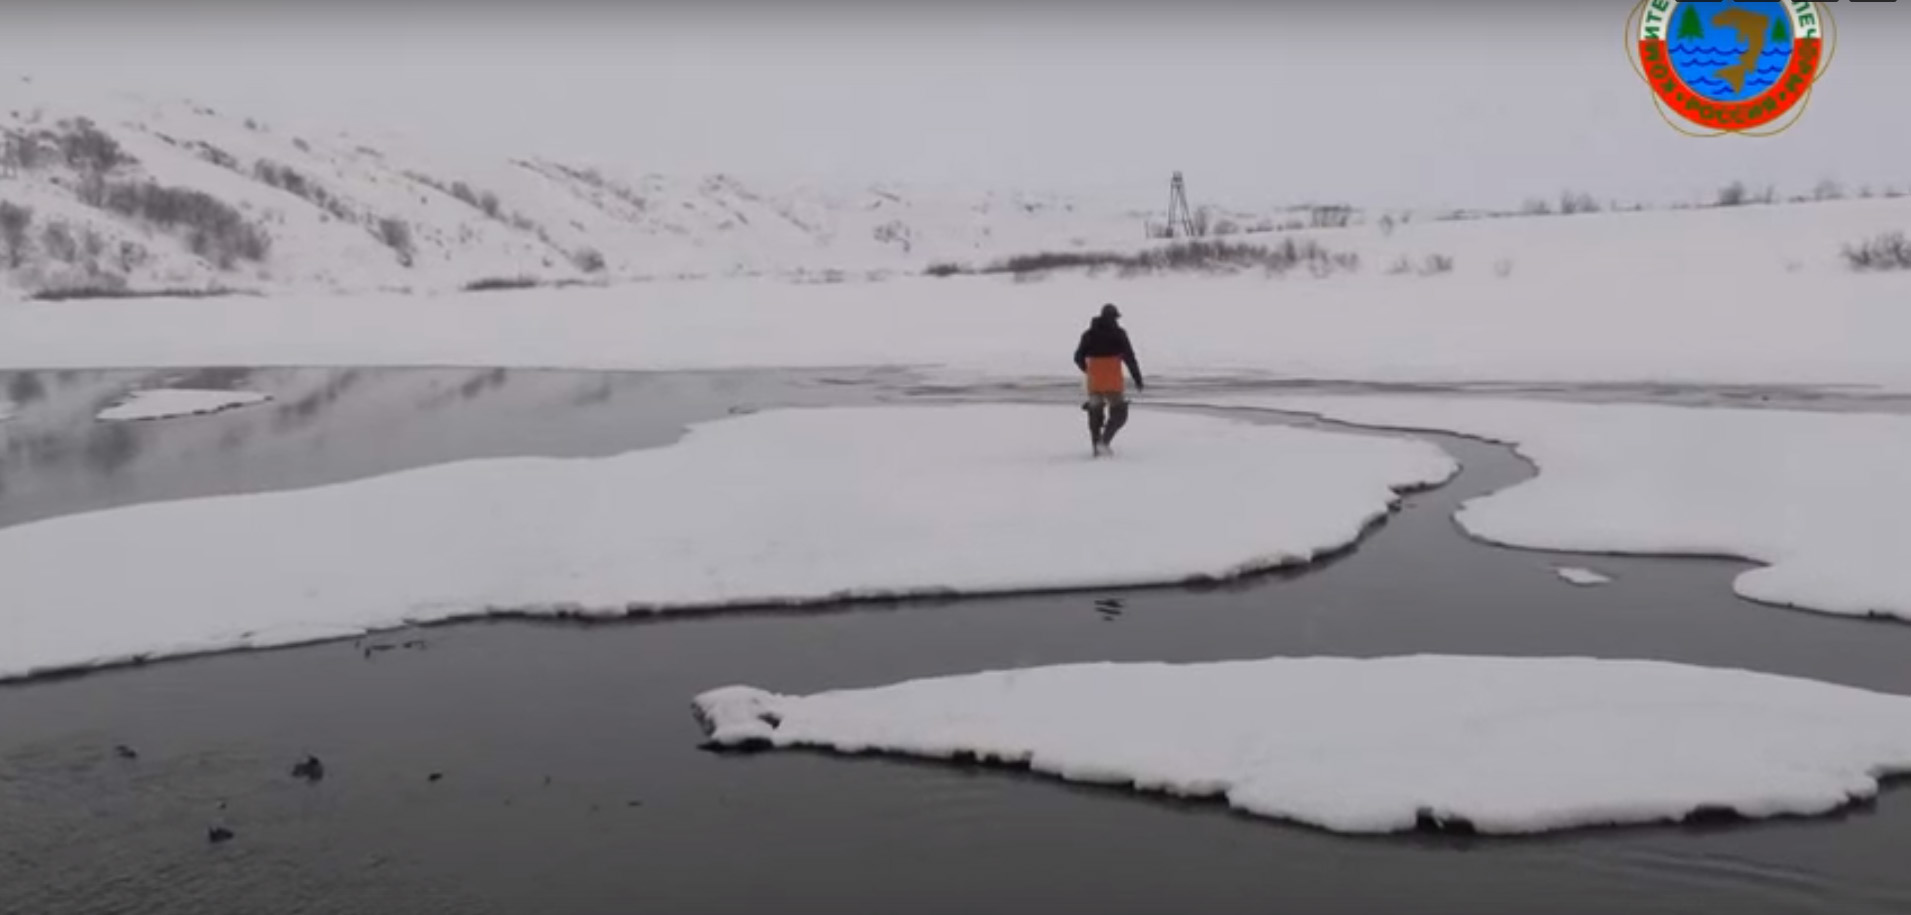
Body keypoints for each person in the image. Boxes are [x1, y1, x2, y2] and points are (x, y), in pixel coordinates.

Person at [1073, 303, 1144, 456]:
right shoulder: (1119, 334)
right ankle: (1104, 443)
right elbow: (1130, 358)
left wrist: (1088, 370)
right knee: (1119, 413)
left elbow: (1078, 357)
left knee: (1095, 413)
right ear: (1115, 318)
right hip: (1113, 382)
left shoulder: (1088, 334)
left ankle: (1096, 448)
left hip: (1095, 382)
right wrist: (1137, 378)